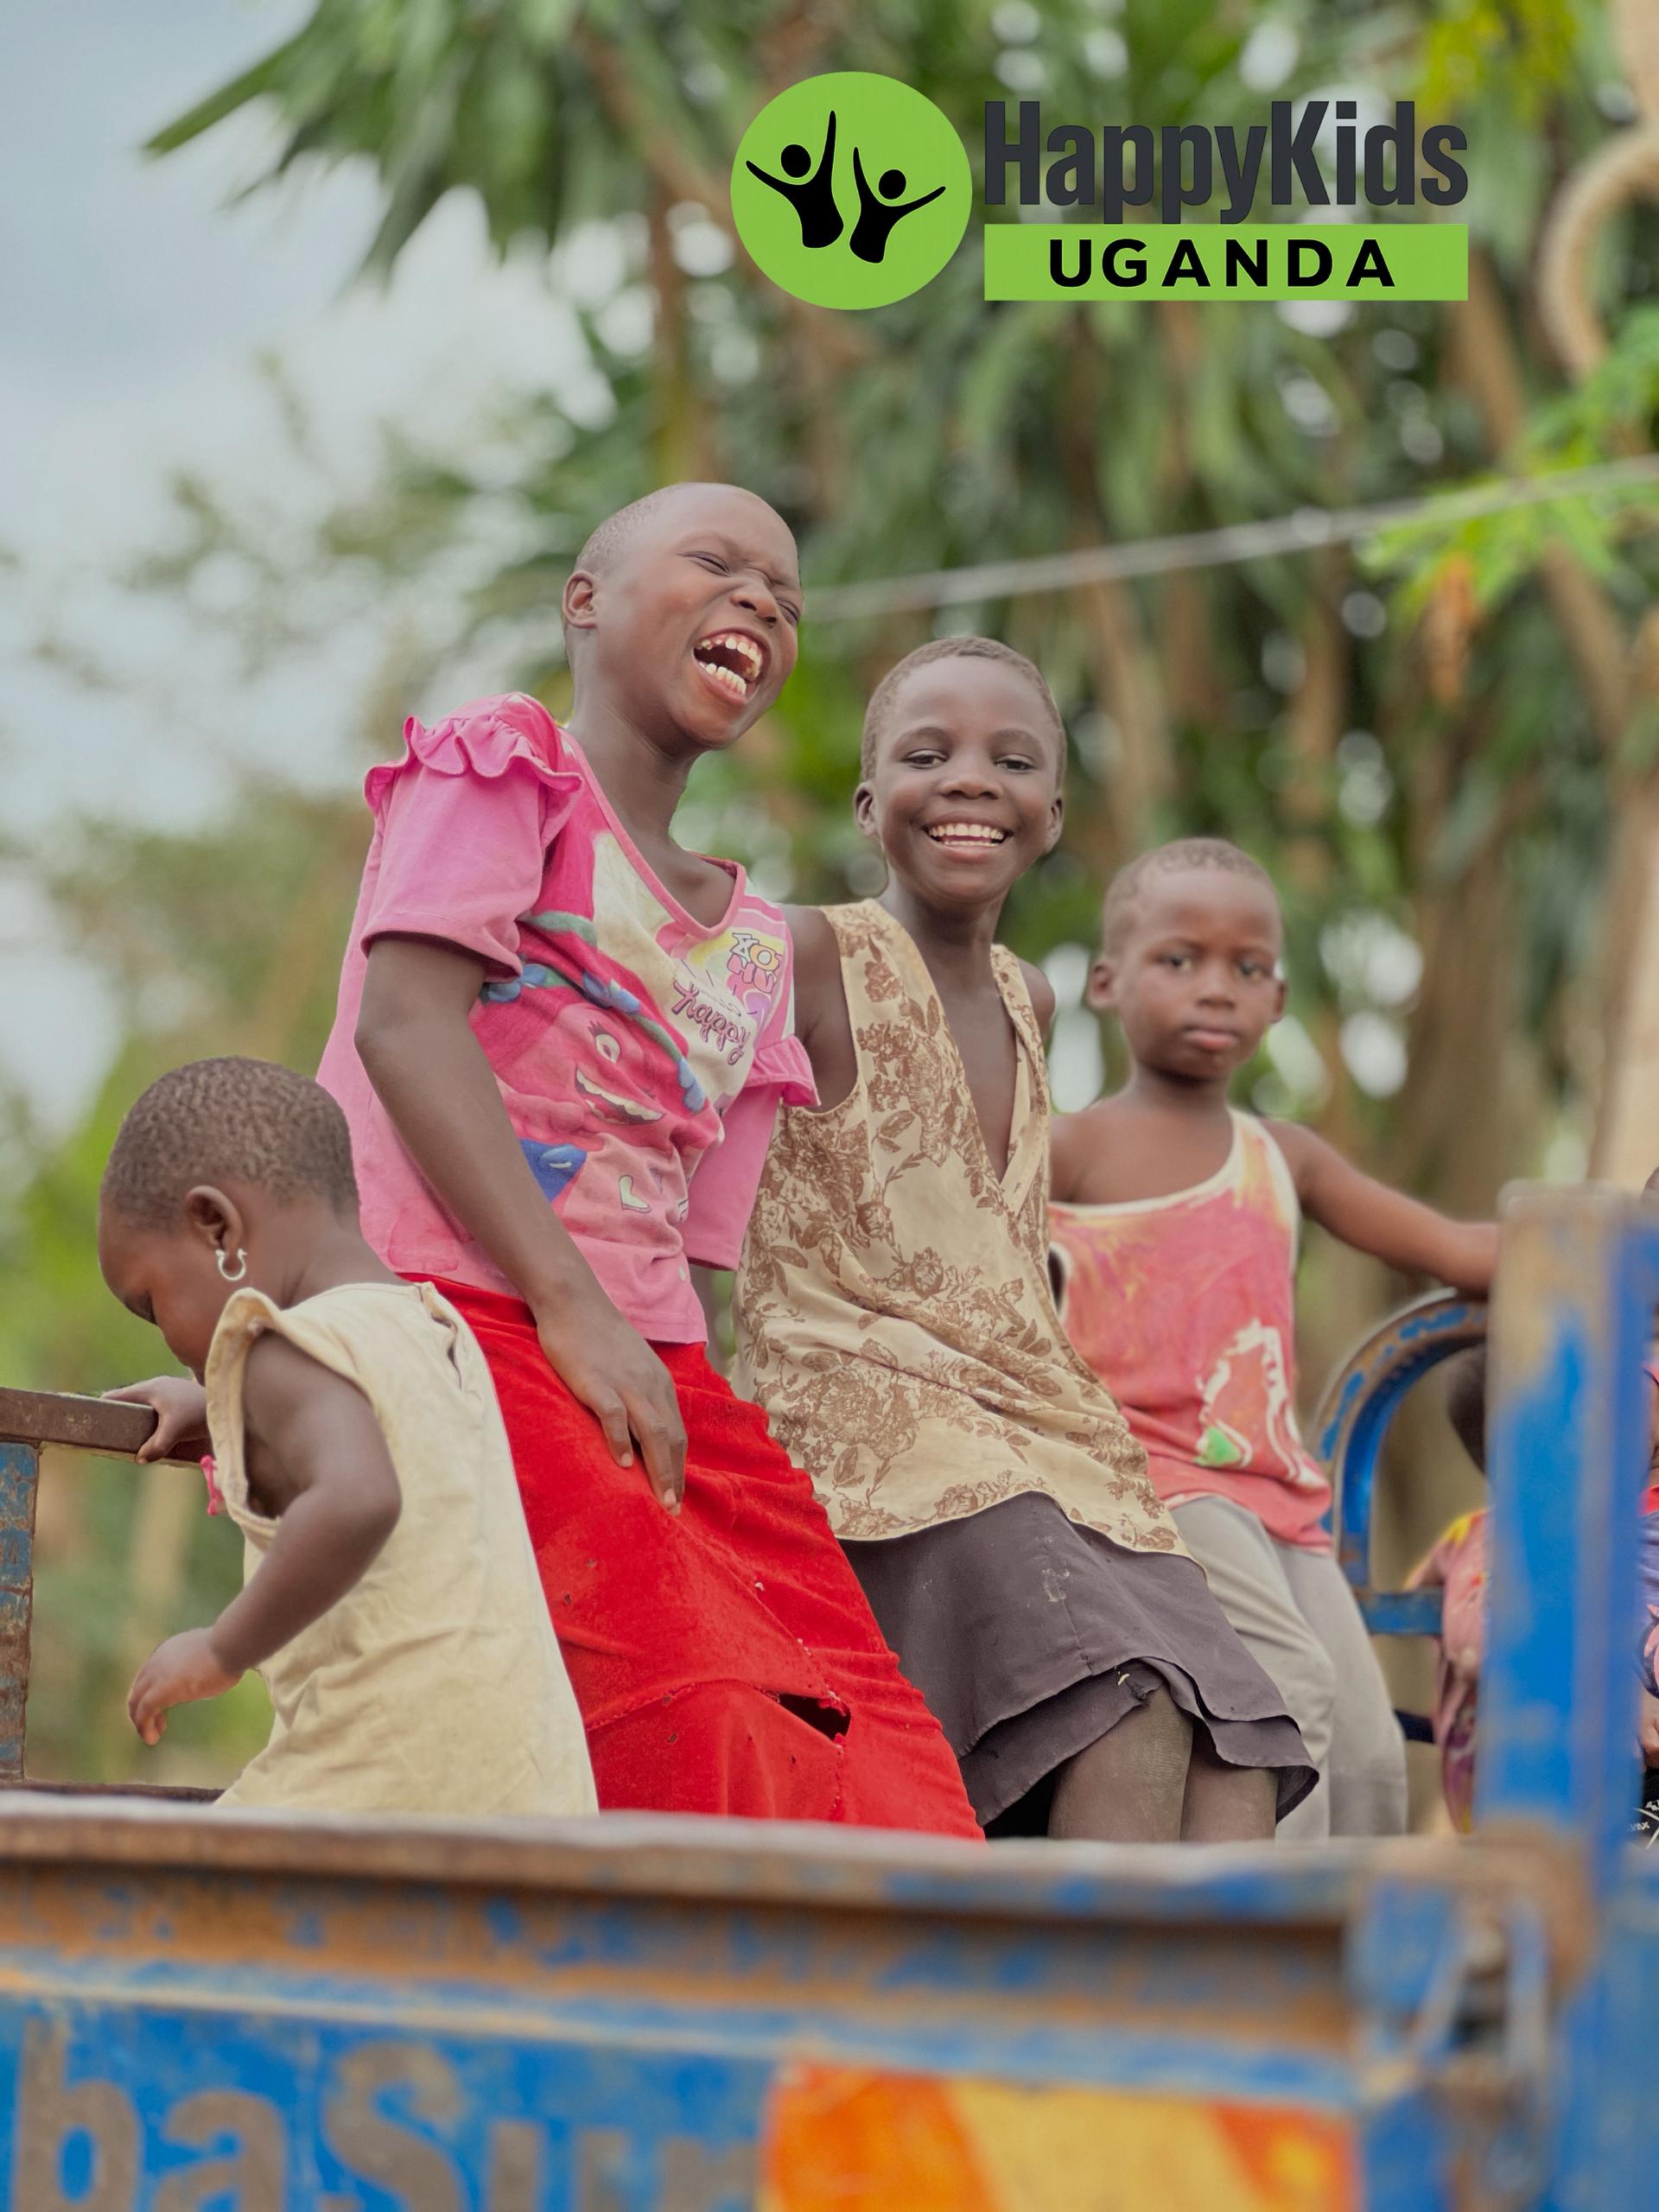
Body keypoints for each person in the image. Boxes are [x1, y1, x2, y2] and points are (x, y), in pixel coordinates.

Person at [315, 482, 981, 1837]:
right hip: (463, 1319)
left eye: (786, 597)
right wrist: (568, 1308)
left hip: (646, 1364)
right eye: (719, 564)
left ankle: (894, 2039)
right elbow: (405, 1026)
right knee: (701, 1708)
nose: (761, 604)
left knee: (878, 1737)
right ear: (584, 600)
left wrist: (672, 1395)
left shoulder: (757, 947)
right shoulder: (512, 770)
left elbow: (696, 1256)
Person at [732, 639, 1313, 1842]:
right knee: (1125, 1711)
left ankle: (1185, 2030)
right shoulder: (809, 957)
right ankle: (1072, 2028)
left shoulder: (1028, 998)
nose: (970, 781)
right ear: (867, 801)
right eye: (925, 754)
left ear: (1053, 810)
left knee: (1239, 1747)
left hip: (1043, 1425)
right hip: (870, 1418)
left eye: (1013, 759)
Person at [1047, 837, 1498, 1840]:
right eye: (1181, 960)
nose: (1217, 988)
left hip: (1277, 1497)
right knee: (1288, 1690)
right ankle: (1272, 1960)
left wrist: (1597, 1243)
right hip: (1149, 1475)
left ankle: (1367, 1962)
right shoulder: (1068, 1148)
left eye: (1247, 968)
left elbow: (1459, 1248)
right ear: (1106, 981)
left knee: (1374, 1745)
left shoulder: (1281, 1155)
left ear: (1280, 999)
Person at [99, 1058, 596, 1819]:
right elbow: (357, 1415)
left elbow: (358, 1496)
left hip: (379, 1790)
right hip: (528, 1792)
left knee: (146, 1902)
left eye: (148, 1303)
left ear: (218, 1227)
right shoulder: (429, 1327)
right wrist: (213, 1401)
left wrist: (221, 1649)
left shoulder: (272, 1349)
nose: (165, 1335)